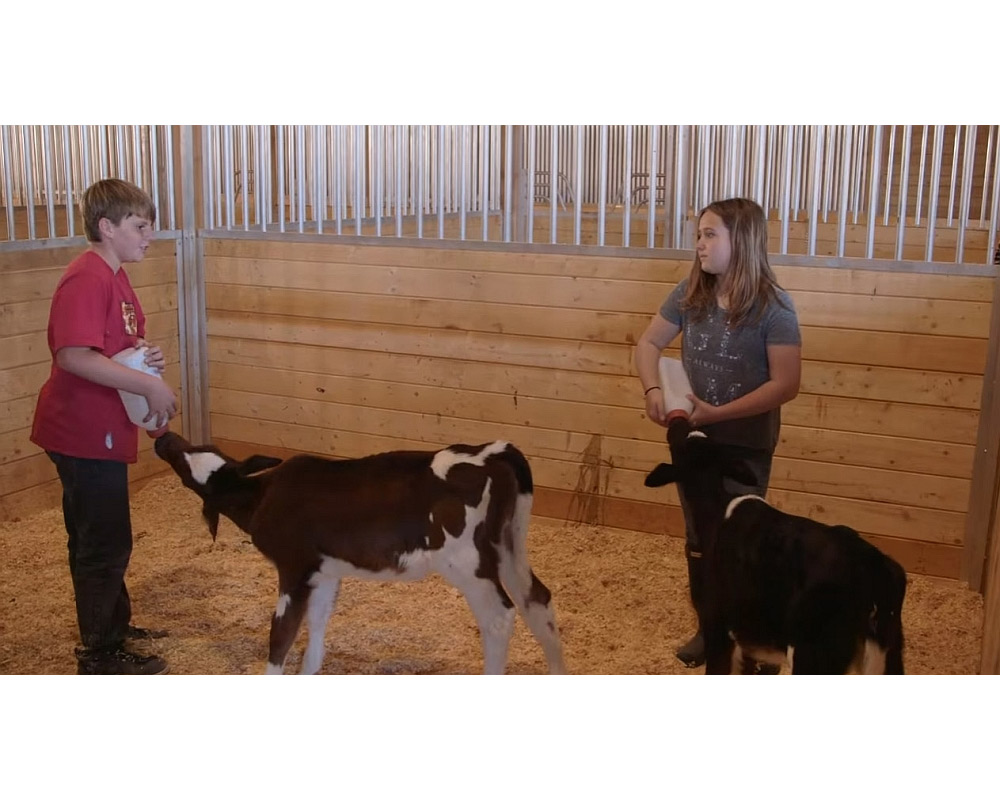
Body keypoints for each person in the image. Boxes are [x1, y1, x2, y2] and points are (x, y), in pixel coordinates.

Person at [634, 197, 802, 669]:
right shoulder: (691, 294)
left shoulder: (775, 308)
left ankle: (752, 633)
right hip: (697, 439)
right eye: (699, 235)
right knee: (699, 535)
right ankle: (710, 627)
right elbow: (648, 341)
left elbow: (786, 383)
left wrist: (719, 413)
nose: (700, 245)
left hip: (745, 444)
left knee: (743, 542)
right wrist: (652, 387)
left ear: (741, 241)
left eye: (710, 235)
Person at [30, 178, 179, 675]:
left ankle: (112, 628)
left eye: (150, 225)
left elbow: (113, 344)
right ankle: (99, 653)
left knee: (104, 535)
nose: (150, 235)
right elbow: (73, 355)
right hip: (81, 429)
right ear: (106, 227)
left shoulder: (115, 275)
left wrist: (144, 358)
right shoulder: (87, 277)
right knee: (103, 540)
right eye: (140, 225)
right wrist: (149, 388)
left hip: (102, 427)